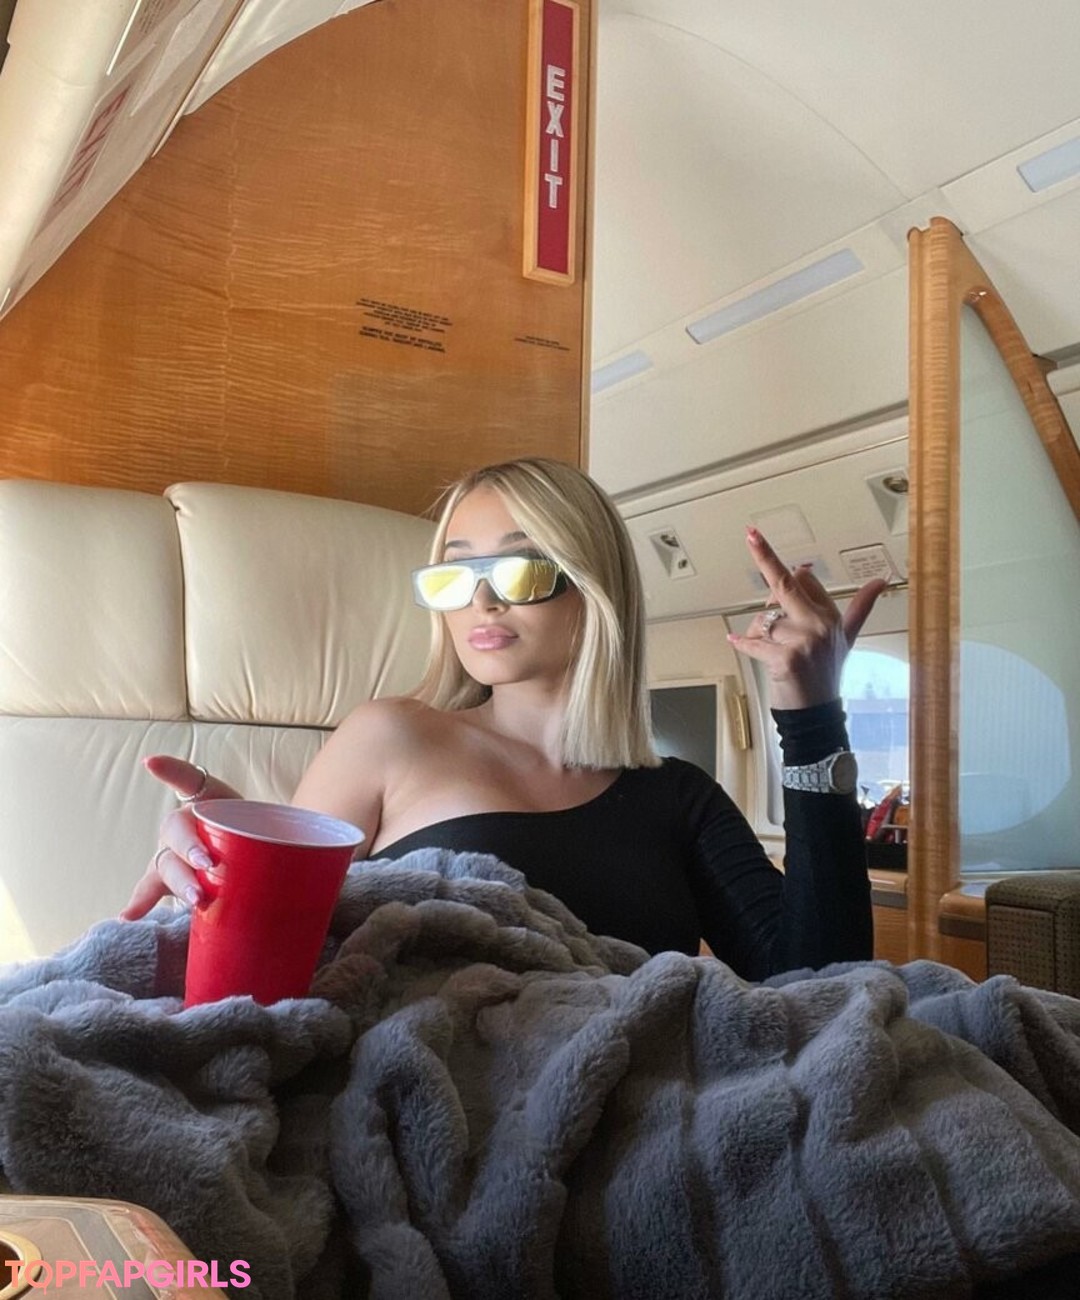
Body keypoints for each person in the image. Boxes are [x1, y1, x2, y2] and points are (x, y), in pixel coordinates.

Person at [122, 457, 885, 980]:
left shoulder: (680, 799)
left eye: (518, 569)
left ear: (593, 588)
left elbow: (823, 986)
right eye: (456, 573)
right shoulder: (389, 737)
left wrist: (813, 719)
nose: (481, 600)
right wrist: (239, 871)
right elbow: (276, 963)